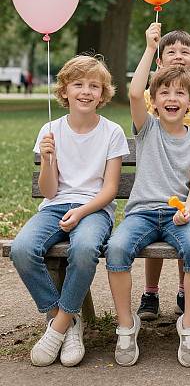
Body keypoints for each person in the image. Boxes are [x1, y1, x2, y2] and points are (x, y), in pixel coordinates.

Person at [10, 55, 128, 367]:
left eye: (94, 86)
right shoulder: (50, 130)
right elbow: (49, 191)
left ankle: (58, 326)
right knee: (22, 249)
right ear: (65, 91)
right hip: (55, 207)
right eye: (78, 85)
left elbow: (110, 189)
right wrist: (48, 161)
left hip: (94, 209)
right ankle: (65, 318)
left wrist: (82, 211)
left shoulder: (112, 132)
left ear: (103, 94)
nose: (86, 91)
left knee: (86, 247)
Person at [105, 27, 190, 368]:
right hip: (142, 214)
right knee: (117, 249)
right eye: (164, 92)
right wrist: (151, 48)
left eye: (180, 93)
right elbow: (135, 91)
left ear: (189, 101)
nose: (171, 97)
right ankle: (126, 325)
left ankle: (189, 324)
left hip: (179, 215)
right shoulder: (147, 128)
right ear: (155, 100)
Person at [138, 24, 190, 322]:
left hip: (188, 182)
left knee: (188, 238)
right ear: (159, 60)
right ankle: (151, 291)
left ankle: (184, 291)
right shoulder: (149, 96)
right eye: (171, 52)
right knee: (153, 242)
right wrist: (149, 46)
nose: (178, 56)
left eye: (185, 52)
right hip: (155, 183)